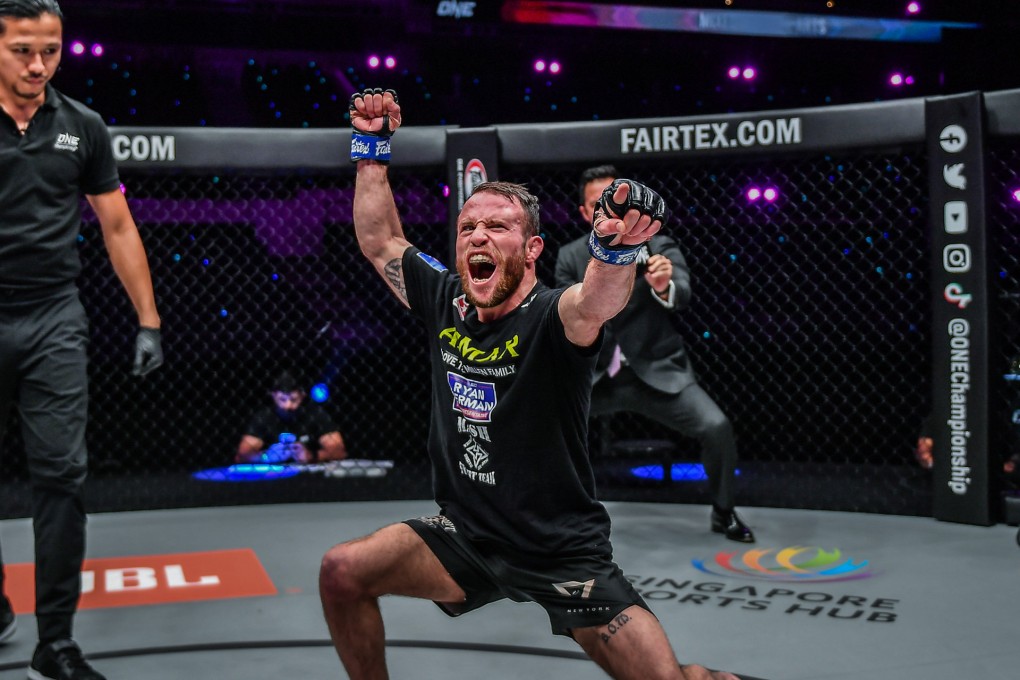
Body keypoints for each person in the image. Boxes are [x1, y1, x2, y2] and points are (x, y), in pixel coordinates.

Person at [318, 88, 741, 680]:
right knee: (342, 572)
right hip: (467, 536)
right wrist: (370, 150)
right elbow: (381, 241)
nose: (479, 237)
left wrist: (613, 250)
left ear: (534, 247)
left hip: (560, 550)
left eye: (498, 226)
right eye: (468, 227)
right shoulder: (446, 296)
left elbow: (595, 301)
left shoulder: (552, 314)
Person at [0, 2, 163, 678]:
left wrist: (148, 319)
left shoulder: (83, 127)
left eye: (52, 50)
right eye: (23, 52)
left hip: (52, 318)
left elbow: (117, 226)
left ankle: (56, 641)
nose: (40, 66)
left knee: (62, 478)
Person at [555, 165, 754, 543]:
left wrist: (663, 286)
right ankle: (547, 514)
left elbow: (682, 291)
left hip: (656, 371)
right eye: (599, 205)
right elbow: (569, 317)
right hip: (597, 376)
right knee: (540, 420)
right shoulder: (569, 256)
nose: (609, 211)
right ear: (585, 213)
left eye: (617, 202)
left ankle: (724, 512)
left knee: (716, 428)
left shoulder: (657, 244)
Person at [235, 370, 347, 464]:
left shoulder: (315, 414)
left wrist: (311, 455)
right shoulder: (264, 417)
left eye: (294, 399)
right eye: (282, 399)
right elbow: (241, 455)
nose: (288, 405)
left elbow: (340, 451)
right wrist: (266, 456)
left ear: (302, 396)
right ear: (273, 396)